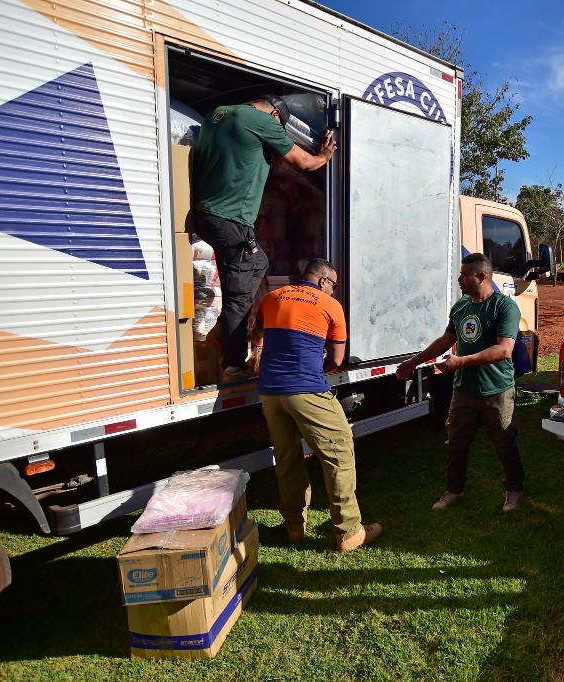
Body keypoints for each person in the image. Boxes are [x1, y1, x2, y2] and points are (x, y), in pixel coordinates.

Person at [192, 96, 337, 384]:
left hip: (206, 216)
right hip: (232, 220)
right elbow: (304, 162)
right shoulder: (261, 121)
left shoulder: (216, 114)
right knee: (245, 282)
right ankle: (234, 363)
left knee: (243, 272)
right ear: (274, 115)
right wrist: (324, 156)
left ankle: (233, 339)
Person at [252, 258, 381, 550]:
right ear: (323, 281)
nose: (333, 292)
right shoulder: (329, 305)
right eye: (333, 286)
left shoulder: (273, 297)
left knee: (287, 458)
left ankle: (295, 527)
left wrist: (259, 354)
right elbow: (336, 360)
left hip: (270, 392)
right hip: (305, 388)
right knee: (339, 452)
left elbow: (257, 332)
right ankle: (349, 532)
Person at [395, 253, 526, 512]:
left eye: (465, 275)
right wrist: (414, 361)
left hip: (496, 390)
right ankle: (453, 490)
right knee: (456, 443)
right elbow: (446, 340)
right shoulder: (462, 306)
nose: (459, 279)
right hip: (464, 391)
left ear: (481, 276)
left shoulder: (504, 307)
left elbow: (504, 350)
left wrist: (460, 362)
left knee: (504, 442)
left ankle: (514, 490)